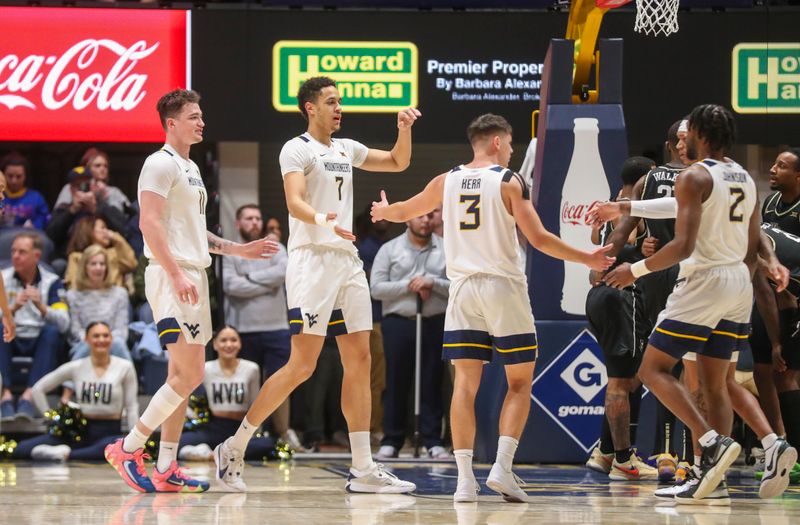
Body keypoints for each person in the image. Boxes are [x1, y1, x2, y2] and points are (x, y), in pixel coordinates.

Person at [370, 113, 613, 503]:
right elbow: (539, 238)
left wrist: (384, 211)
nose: (514, 150)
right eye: (512, 143)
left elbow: (403, 210)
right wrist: (587, 258)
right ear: (498, 142)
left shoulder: (446, 180)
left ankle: (465, 480)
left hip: (463, 291)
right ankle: (502, 467)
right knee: (518, 382)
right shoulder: (507, 179)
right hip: (502, 286)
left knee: (465, 386)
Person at [214, 76, 421, 494]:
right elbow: (294, 201)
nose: (338, 108)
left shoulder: (347, 148)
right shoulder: (296, 148)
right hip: (311, 260)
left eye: (339, 102)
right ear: (311, 108)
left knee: (359, 360)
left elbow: (398, 163)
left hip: (346, 261)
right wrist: (324, 219)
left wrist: (404, 128)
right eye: (331, 101)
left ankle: (363, 468)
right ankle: (234, 445)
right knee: (302, 365)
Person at [603, 104, 795, 504]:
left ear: (702, 135)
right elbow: (752, 231)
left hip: (704, 279)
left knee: (652, 369)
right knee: (717, 382)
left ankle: (711, 443)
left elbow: (683, 244)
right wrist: (625, 207)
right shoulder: (743, 175)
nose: (681, 138)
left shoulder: (694, 174)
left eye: (687, 132)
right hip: (738, 283)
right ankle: (753, 456)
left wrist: (634, 270)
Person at [104, 88, 278, 494]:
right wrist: (175, 274)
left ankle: (166, 464)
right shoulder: (157, 164)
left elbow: (193, 231)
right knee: (190, 373)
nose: (202, 122)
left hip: (193, 274)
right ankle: (128, 447)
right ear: (172, 123)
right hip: (171, 275)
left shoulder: (191, 168)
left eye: (201, 116)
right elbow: (149, 223)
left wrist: (238, 250)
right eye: (194, 116)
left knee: (182, 376)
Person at [584, 156, 657, 481]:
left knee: (630, 377)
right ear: (647, 179)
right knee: (622, 382)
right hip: (620, 298)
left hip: (599, 298)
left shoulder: (610, 204)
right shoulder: (633, 209)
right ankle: (624, 460)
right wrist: (642, 252)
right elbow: (613, 257)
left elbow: (592, 272)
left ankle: (605, 451)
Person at [370, 211, 450, 459]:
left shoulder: (448, 248)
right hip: (398, 323)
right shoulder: (389, 249)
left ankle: (432, 440)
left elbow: (458, 285)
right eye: (418, 216)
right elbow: (376, 288)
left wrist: (431, 283)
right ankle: (392, 439)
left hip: (434, 322)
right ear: (407, 219)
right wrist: (409, 285)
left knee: (431, 381)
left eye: (429, 216)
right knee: (395, 381)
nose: (425, 221)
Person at [222, 204, 302, 450]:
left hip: (277, 328)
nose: (254, 222)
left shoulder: (276, 248)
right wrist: (267, 283)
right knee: (248, 385)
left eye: (258, 218)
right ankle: (249, 436)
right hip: (242, 330)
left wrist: (248, 280)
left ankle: (284, 433)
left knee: (281, 383)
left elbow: (284, 273)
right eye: (248, 218)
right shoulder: (230, 251)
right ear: (238, 223)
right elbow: (230, 285)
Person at [13, 322, 138, 461]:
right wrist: (51, 418)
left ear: (111, 339)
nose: (101, 340)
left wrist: (135, 438)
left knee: (117, 448)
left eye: (105, 335)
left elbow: (132, 406)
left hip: (109, 433)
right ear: (86, 339)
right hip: (78, 432)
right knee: (21, 449)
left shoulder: (125, 367)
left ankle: (66, 454)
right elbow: (38, 389)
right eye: (96, 336)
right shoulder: (76, 366)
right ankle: (73, 454)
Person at [179, 326, 276, 461]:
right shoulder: (205, 368)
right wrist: (195, 419)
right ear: (215, 344)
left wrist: (254, 430)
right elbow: (188, 398)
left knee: (268, 444)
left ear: (240, 343)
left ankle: (219, 453)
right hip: (213, 428)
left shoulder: (251, 368)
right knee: (180, 442)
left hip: (239, 428)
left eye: (233, 340)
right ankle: (214, 454)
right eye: (223, 340)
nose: (229, 344)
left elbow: (255, 403)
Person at [0, 232, 69, 421]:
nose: (14, 255)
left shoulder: (52, 282)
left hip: (38, 336)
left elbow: (65, 323)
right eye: (13, 251)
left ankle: (28, 397)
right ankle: (4, 396)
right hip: (10, 336)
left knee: (53, 332)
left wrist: (42, 307)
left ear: (36, 256)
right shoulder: (2, 279)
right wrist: (11, 309)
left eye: (21, 252)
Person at [46, 166, 129, 261]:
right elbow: (51, 237)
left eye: (86, 185)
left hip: (105, 258)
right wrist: (72, 211)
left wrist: (96, 209)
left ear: (93, 186)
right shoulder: (64, 209)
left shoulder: (105, 207)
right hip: (71, 259)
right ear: (71, 189)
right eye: (78, 186)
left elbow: (124, 230)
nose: (82, 189)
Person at [65, 244, 132, 361]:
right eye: (93, 264)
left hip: (113, 343)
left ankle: (130, 379)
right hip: (83, 343)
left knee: (118, 344)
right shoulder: (72, 295)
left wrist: (104, 340)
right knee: (87, 346)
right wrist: (94, 340)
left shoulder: (120, 294)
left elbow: (121, 329)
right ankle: (71, 378)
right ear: (84, 267)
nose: (98, 268)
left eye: (102, 264)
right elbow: (75, 330)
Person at [64, 215, 137, 292]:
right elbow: (73, 285)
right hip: (86, 299)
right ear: (88, 230)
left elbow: (131, 264)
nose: (107, 232)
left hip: (115, 298)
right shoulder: (76, 257)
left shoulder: (115, 252)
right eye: (103, 228)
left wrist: (116, 238)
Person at [54, 148, 132, 216]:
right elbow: (58, 214)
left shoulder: (114, 191)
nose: (102, 169)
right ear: (87, 167)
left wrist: (103, 200)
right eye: (97, 165)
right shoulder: (72, 188)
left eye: (105, 166)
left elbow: (124, 218)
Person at [0, 152, 50, 230]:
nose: (14, 181)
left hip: (29, 236)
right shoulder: (1, 196)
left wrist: (35, 225)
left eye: (18, 176)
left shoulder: (36, 198)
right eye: (10, 176)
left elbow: (44, 218)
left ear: (25, 175)